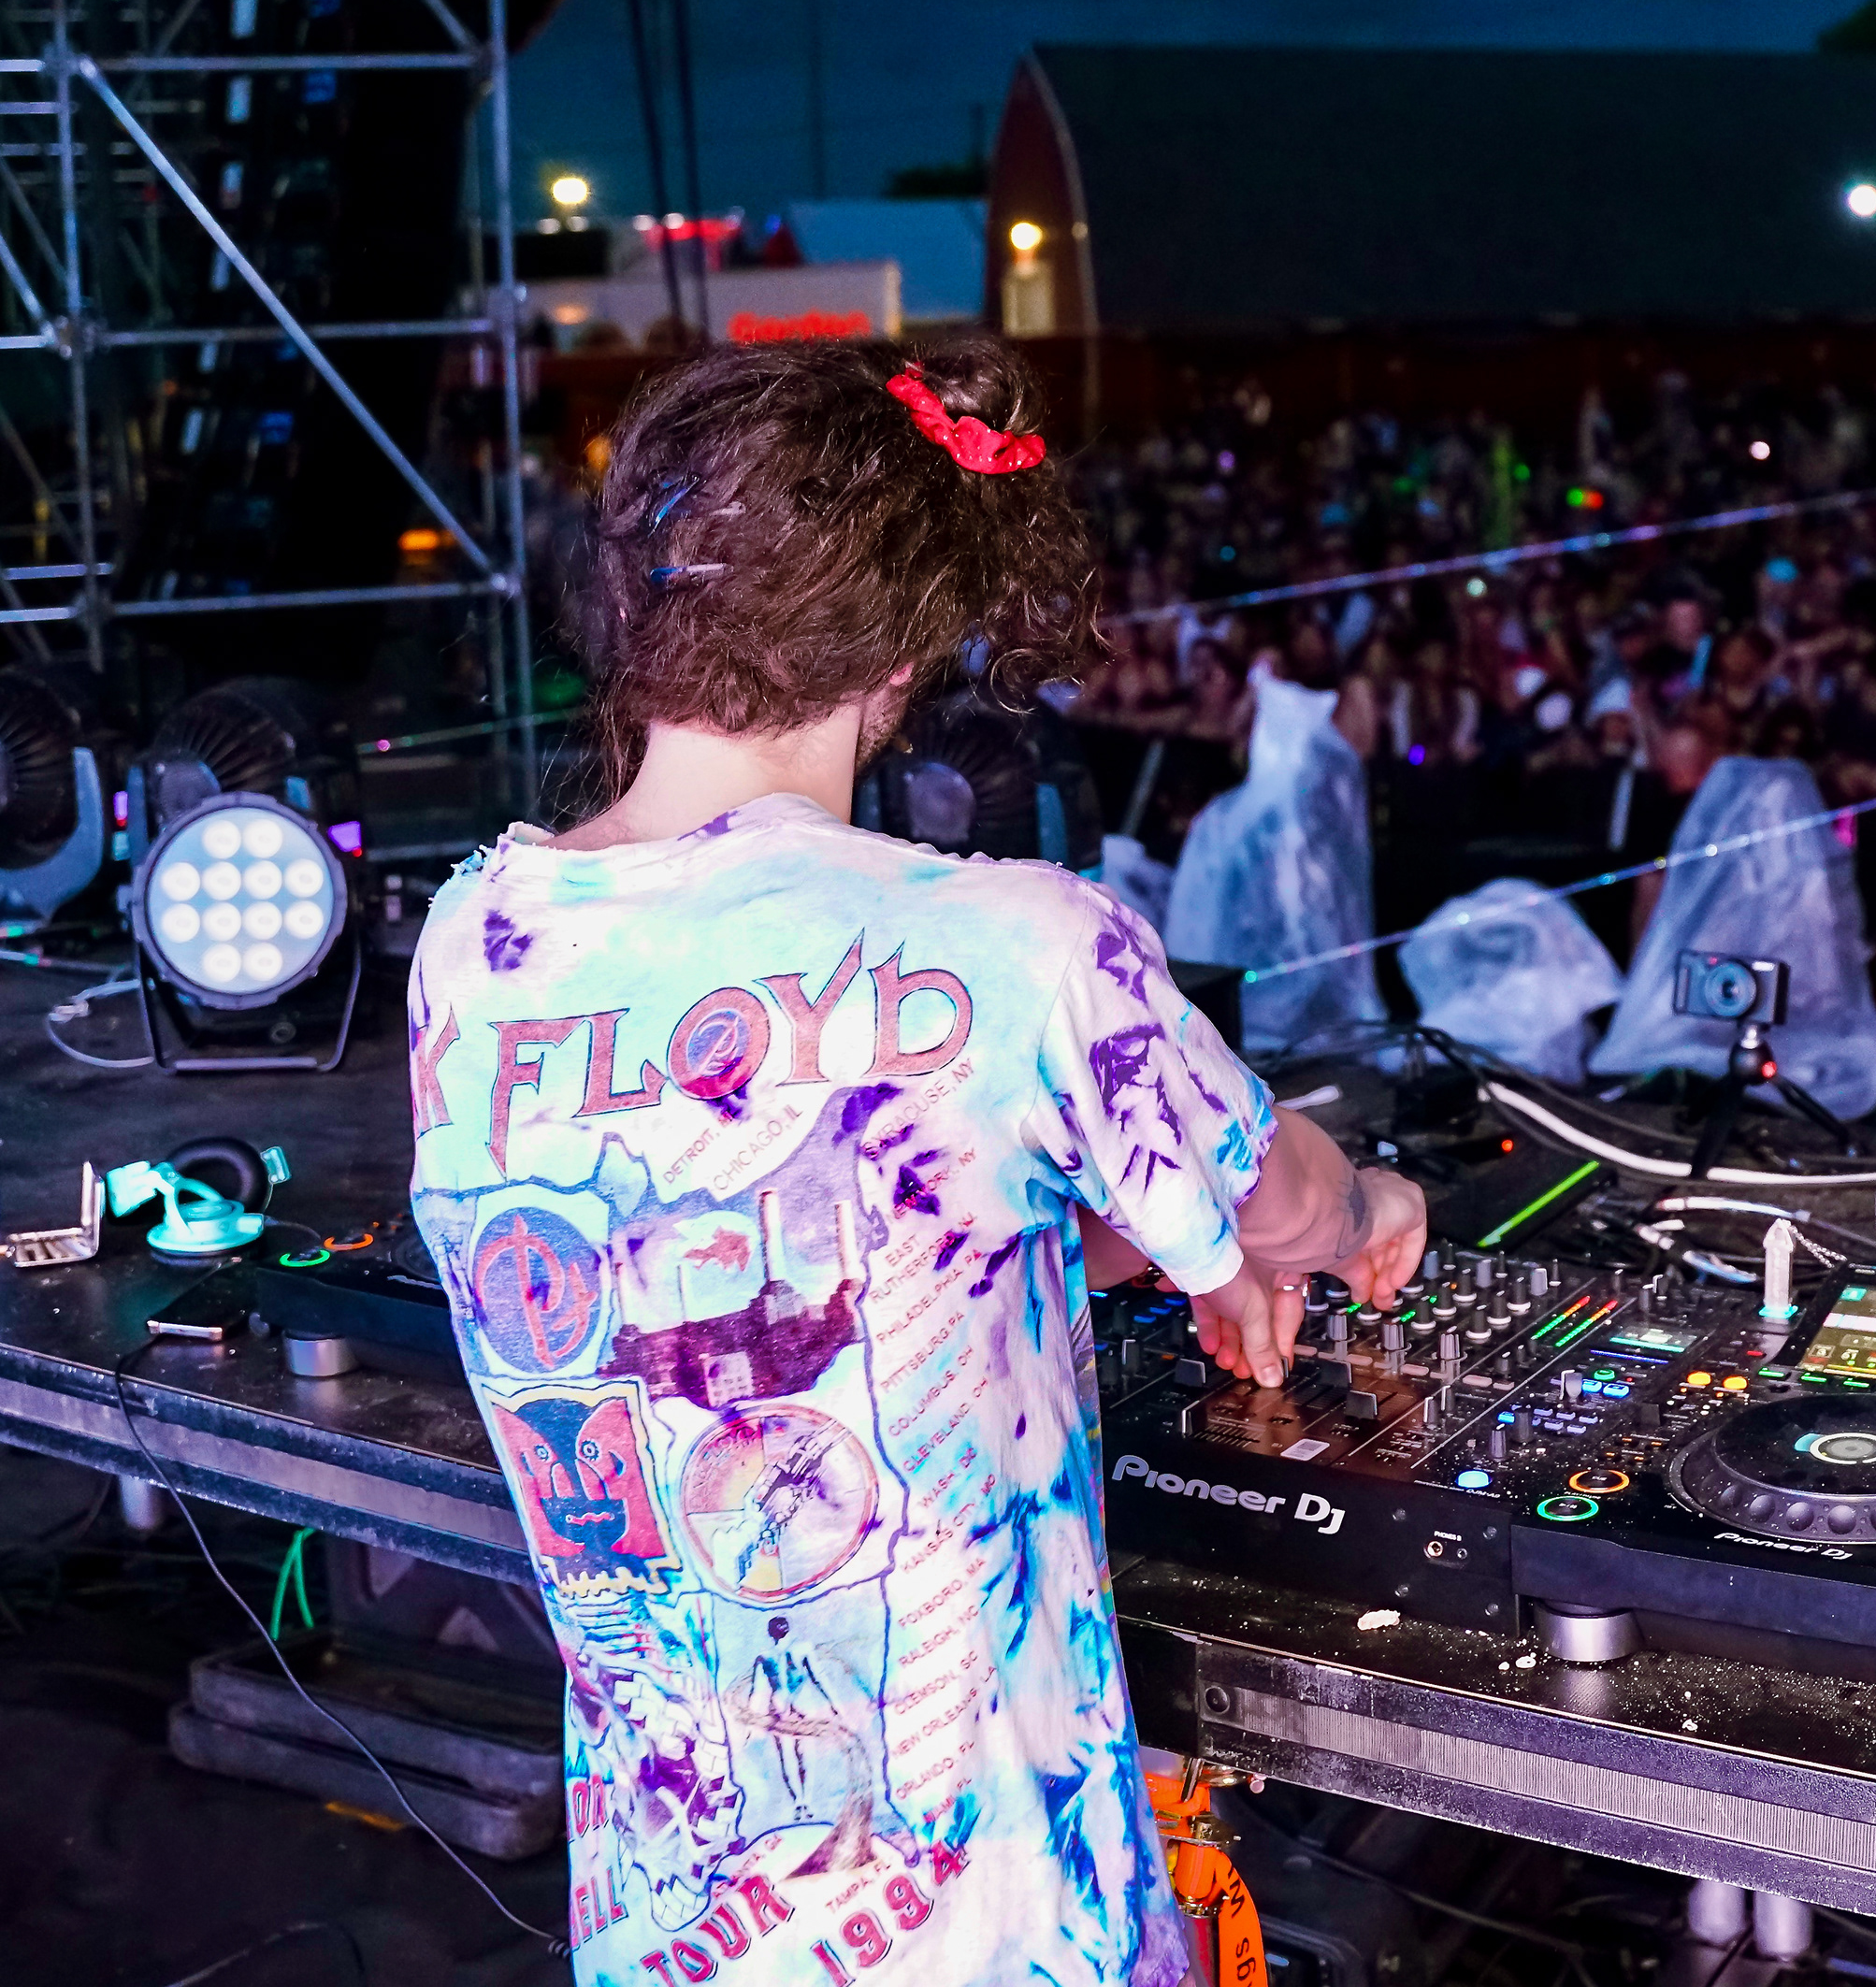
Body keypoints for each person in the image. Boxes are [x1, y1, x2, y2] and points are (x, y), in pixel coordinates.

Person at [409, 339, 1423, 1987]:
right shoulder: (1019, 944)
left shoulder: (474, 946)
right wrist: (1361, 1208)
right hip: (1002, 1932)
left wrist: (1145, 1254)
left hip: (667, 1932)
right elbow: (1281, 1194)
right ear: (900, 652)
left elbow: (808, 1258)